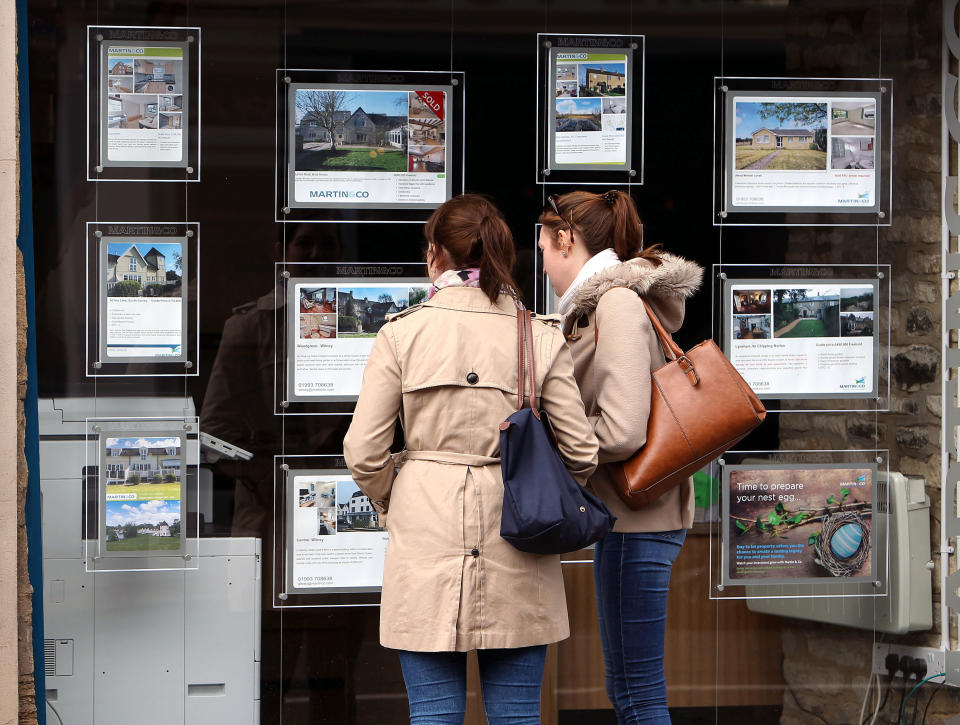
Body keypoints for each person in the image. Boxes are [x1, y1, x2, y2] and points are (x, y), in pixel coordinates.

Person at [343, 194, 599, 725]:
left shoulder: (401, 333)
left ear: (435, 254)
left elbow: (365, 451)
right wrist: (538, 487)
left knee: (433, 714)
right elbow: (581, 451)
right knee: (518, 716)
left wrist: (399, 497)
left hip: (424, 535)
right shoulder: (538, 334)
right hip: (519, 534)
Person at [537, 190, 703, 724]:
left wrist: (556, 441)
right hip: (630, 518)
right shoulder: (599, 305)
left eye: (542, 244)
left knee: (636, 694)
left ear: (567, 239)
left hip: (639, 521)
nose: (539, 260)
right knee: (631, 688)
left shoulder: (616, 304)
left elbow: (625, 429)